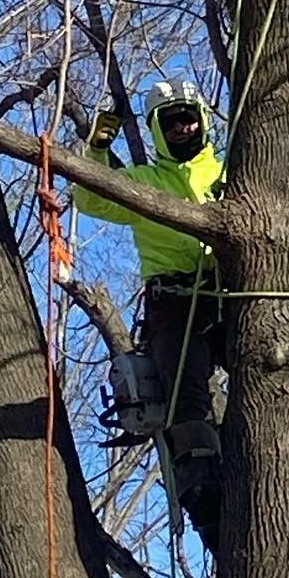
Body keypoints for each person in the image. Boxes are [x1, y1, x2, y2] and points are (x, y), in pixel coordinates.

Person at [73, 79, 226, 550]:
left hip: (230, 296)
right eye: (172, 122)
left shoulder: (227, 172)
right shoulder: (144, 183)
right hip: (174, 304)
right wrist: (98, 145)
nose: (184, 127)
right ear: (160, 130)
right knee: (186, 398)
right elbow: (91, 199)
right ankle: (205, 502)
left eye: (190, 118)